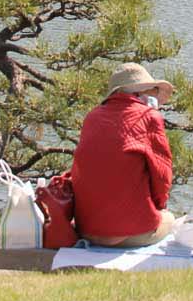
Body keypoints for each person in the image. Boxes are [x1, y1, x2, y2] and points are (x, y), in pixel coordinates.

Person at [70, 63, 176, 247]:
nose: (156, 96)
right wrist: (159, 208)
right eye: (154, 90)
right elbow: (162, 176)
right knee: (169, 218)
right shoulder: (149, 117)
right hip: (129, 234)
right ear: (140, 92)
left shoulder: (92, 116)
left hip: (86, 229)